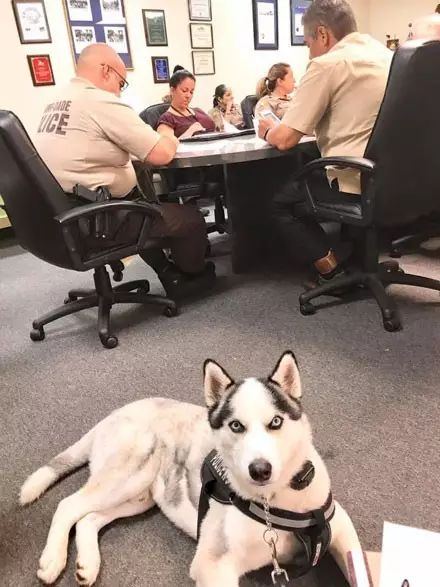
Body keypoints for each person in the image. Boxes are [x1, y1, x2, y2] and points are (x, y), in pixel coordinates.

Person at [34, 44, 215, 298]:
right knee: (189, 218)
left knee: (140, 204)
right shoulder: (99, 101)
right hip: (97, 219)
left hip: (60, 218)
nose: (120, 92)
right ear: (106, 71)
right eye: (121, 84)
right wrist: (168, 134)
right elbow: (161, 153)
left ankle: (167, 272)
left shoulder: (57, 100)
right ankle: (191, 278)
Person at [258, 0, 392, 287]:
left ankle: (330, 269)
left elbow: (284, 139)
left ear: (322, 34)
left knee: (279, 202)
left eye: (307, 43)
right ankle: (359, 258)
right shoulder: (389, 56)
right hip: (402, 178)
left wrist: (268, 129)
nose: (309, 51)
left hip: (357, 180)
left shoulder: (327, 63)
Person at [157, 70, 215, 139]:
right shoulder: (167, 119)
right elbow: (166, 146)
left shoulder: (198, 111)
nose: (188, 96)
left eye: (191, 92)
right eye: (184, 91)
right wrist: (190, 132)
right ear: (172, 91)